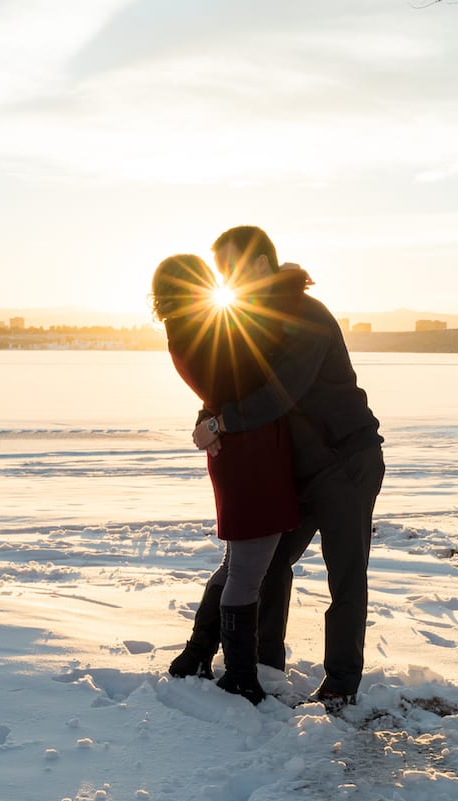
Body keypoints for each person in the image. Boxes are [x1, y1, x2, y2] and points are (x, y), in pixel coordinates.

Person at [191, 226, 384, 712]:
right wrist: (205, 419)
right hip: (295, 471)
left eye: (229, 268)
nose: (224, 279)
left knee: (345, 575)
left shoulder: (307, 316)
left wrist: (220, 422)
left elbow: (280, 393)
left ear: (258, 266)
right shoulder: (247, 319)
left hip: (346, 462)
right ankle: (264, 663)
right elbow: (229, 379)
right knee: (271, 564)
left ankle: (340, 682)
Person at [150, 254, 300, 705]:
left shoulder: (186, 329)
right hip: (251, 456)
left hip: (241, 454)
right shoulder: (203, 330)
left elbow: (225, 384)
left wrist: (209, 419)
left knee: (238, 565)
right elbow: (255, 369)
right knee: (247, 573)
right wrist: (286, 287)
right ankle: (238, 674)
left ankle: (197, 654)